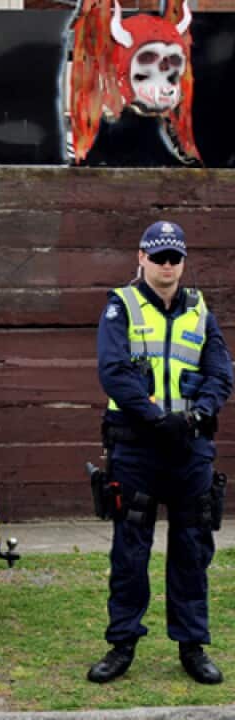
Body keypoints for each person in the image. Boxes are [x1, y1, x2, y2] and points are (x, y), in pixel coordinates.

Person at [89, 220, 231, 685]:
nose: (167, 266)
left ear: (183, 262)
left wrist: (194, 416)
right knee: (130, 551)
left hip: (190, 451)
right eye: (158, 257)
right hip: (137, 450)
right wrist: (156, 419)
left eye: (174, 258)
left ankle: (192, 647)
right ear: (141, 258)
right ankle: (121, 645)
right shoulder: (121, 307)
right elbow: (114, 373)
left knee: (192, 551)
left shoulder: (200, 311)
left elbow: (220, 374)